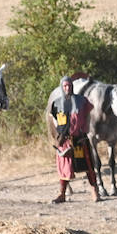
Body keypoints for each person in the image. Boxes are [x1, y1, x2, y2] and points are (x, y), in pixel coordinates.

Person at [48, 76, 101, 204]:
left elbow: (88, 114)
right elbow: (52, 117)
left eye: (69, 85)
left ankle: (95, 192)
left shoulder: (82, 101)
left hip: (79, 139)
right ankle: (62, 194)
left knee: (88, 166)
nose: (68, 88)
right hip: (64, 141)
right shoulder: (56, 103)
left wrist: (86, 128)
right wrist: (59, 133)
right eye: (65, 86)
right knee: (65, 167)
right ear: (62, 87)